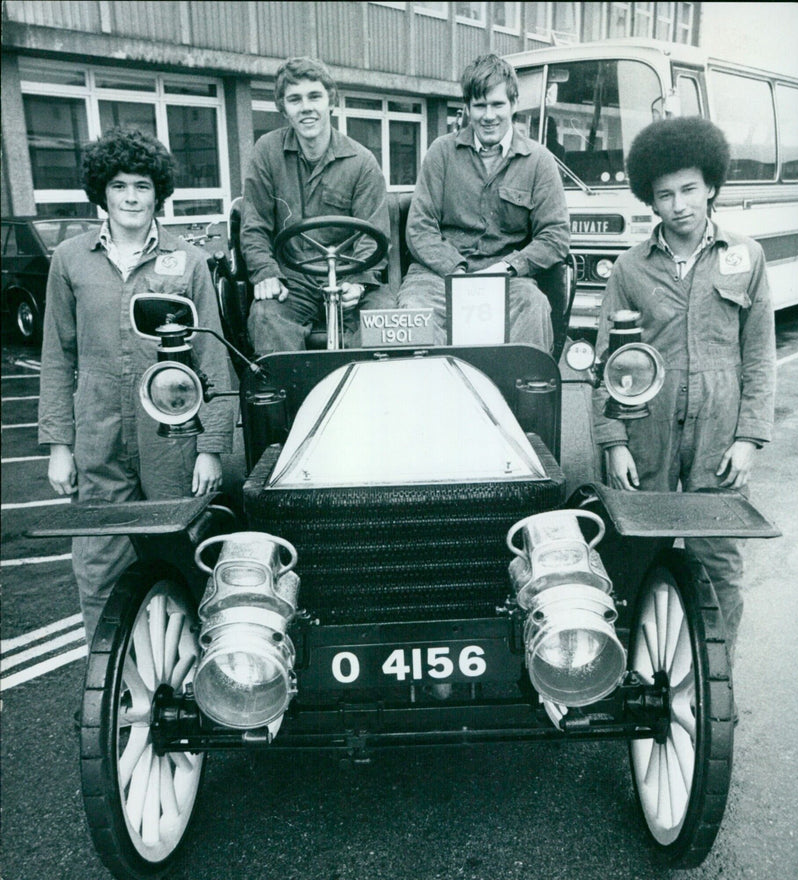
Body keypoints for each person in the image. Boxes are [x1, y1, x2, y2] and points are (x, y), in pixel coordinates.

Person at [38, 127, 234, 649]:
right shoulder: (70, 260)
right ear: (101, 190)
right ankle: (116, 692)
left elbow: (211, 357)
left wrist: (210, 448)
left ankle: (196, 682)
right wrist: (60, 446)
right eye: (119, 185)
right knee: (100, 568)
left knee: (180, 559)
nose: (130, 196)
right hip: (97, 435)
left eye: (142, 186)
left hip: (170, 437)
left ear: (158, 193)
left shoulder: (186, 261)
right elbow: (58, 356)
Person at [593, 116, 776, 668]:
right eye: (665, 194)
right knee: (635, 551)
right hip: (646, 425)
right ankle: (633, 673)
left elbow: (759, 356)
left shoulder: (745, 258)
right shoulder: (629, 269)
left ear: (712, 186)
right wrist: (614, 441)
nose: (679, 205)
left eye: (689, 189)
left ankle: (711, 680)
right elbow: (607, 364)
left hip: (719, 431)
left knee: (718, 558)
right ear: (651, 200)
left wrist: (748, 438)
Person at [398, 54, 570, 350]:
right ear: (467, 108)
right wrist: (457, 270)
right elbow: (419, 227)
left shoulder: (539, 161)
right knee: (414, 312)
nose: (488, 116)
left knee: (534, 306)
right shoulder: (441, 153)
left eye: (497, 104)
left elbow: (555, 236)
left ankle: (522, 396)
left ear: (514, 104)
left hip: (507, 281)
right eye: (479, 106)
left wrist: (506, 268)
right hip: (438, 278)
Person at [240, 57, 392, 353]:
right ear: (283, 108)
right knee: (265, 316)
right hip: (292, 280)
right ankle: (289, 398)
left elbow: (374, 236)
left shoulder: (362, 163)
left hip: (350, 277)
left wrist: (359, 283)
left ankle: (365, 395)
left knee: (381, 319)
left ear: (331, 101)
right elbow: (254, 225)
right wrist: (266, 272)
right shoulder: (266, 153)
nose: (306, 107)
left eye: (314, 96)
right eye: (294, 99)